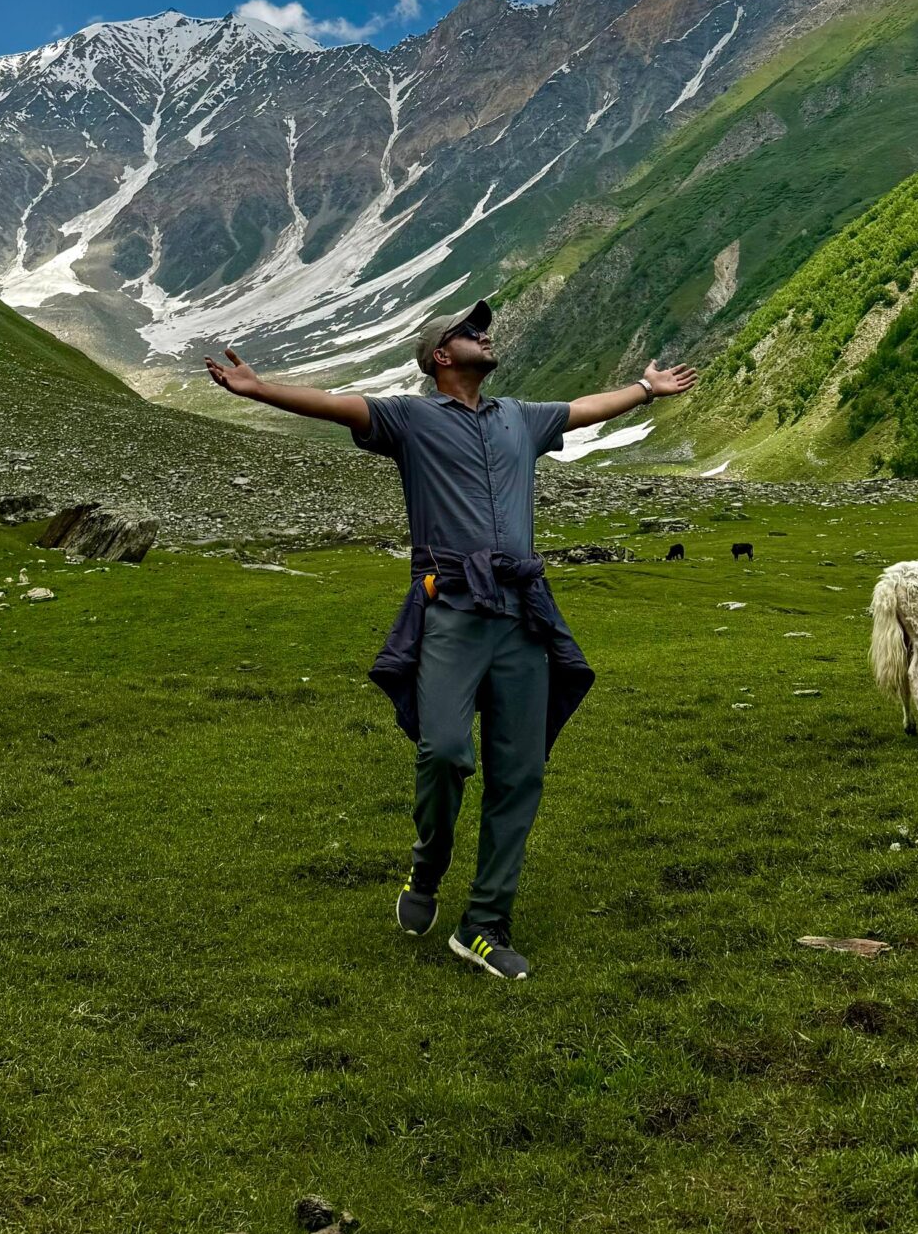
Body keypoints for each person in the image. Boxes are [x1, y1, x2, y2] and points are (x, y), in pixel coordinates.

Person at [204, 300, 696, 980]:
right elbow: (334, 403)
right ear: (441, 354)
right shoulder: (410, 420)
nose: (483, 336)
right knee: (443, 752)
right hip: (451, 611)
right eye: (470, 332)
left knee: (520, 774)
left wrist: (646, 389)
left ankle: (485, 924)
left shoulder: (521, 419)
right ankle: (428, 862)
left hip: (523, 613)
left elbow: (585, 408)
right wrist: (261, 391)